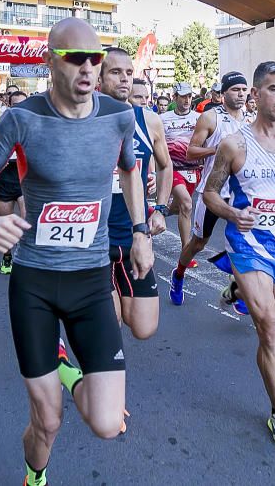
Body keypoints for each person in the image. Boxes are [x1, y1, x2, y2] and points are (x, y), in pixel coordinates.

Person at [0, 18, 152, 486]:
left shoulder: (118, 117)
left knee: (106, 423)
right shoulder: (23, 118)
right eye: (74, 58)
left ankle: (69, 370)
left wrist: (140, 230)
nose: (87, 69)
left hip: (91, 281)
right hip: (35, 283)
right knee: (49, 421)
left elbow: (130, 172)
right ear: (49, 62)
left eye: (94, 59)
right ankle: (35, 475)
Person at [201, 60, 275, 450]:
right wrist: (233, 212)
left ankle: (236, 289)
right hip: (248, 246)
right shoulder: (236, 144)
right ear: (256, 94)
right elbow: (210, 193)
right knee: (268, 330)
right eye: (273, 89)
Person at [98, 49, 172, 337]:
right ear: (99, 78)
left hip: (134, 237)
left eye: (128, 73)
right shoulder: (84, 120)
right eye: (115, 72)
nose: (124, 79)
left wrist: (162, 209)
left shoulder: (148, 121)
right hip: (96, 241)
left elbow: (166, 167)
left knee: (144, 328)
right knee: (108, 330)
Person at [169, 71, 251, 307]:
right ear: (223, 93)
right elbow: (190, 151)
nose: (241, 94)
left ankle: (239, 289)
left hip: (239, 194)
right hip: (212, 192)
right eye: (236, 90)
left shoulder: (250, 119)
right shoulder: (210, 117)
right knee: (198, 243)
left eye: (244, 90)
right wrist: (220, 151)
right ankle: (179, 274)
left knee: (243, 243)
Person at [0, 90, 31, 275]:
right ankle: (7, 256)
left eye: (24, 104)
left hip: (24, 178)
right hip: (4, 178)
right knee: (6, 224)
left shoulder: (33, 126)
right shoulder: (1, 126)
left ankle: (25, 258)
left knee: (26, 222)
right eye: (16, 105)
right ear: (9, 106)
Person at [161, 82, 202, 251]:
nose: (187, 100)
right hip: (173, 169)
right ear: (174, 97)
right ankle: (186, 249)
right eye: (183, 96)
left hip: (194, 169)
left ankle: (158, 212)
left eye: (189, 96)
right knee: (186, 204)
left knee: (179, 207)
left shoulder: (199, 118)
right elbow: (157, 144)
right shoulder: (163, 119)